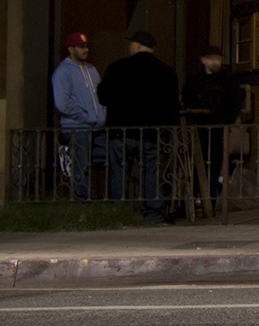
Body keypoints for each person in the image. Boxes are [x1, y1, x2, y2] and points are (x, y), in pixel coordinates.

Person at [97, 30, 180, 223]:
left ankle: (120, 215)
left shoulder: (117, 68)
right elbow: (171, 106)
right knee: (150, 173)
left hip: (120, 132)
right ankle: (152, 214)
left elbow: (103, 96)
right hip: (150, 133)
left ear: (135, 45)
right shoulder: (166, 71)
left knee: (119, 173)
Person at [181, 45, 250, 199]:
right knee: (196, 166)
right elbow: (187, 100)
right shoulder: (195, 81)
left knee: (214, 166)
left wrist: (224, 121)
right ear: (203, 61)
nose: (216, 62)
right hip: (198, 129)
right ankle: (194, 197)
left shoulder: (228, 81)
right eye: (212, 59)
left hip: (218, 129)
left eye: (218, 59)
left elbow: (234, 105)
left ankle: (210, 199)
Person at [49, 32, 105, 201]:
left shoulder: (91, 69)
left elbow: (100, 95)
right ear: (71, 49)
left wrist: (101, 115)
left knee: (102, 161)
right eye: (81, 47)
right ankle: (83, 202)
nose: (85, 50)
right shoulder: (63, 72)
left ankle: (97, 199)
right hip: (77, 127)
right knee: (81, 165)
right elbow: (62, 103)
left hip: (97, 126)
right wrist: (84, 116)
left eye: (86, 46)